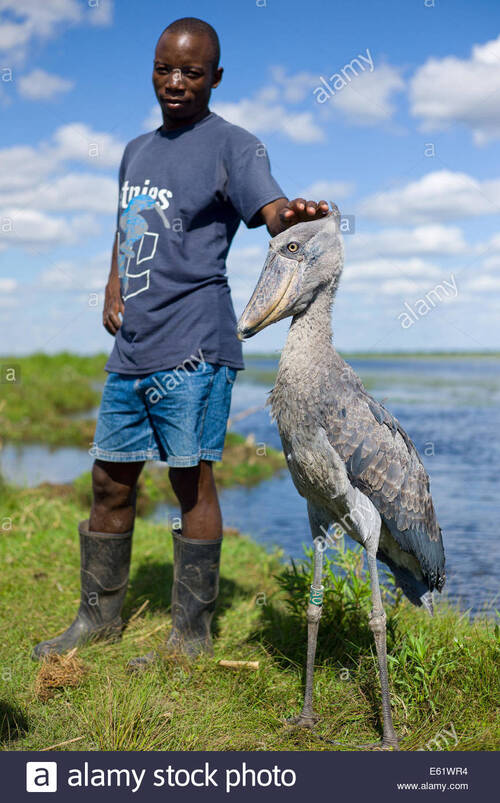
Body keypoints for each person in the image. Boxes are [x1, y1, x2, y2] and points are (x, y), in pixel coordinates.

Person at [32, 17, 330, 666]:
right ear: (152, 69)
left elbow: (270, 210)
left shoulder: (234, 146)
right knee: (109, 479)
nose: (175, 82)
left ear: (215, 78)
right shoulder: (136, 149)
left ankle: (190, 638)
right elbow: (124, 223)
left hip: (196, 344)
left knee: (190, 484)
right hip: (133, 346)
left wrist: (295, 216)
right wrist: (113, 284)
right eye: (165, 68)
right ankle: (97, 620)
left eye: (191, 72)